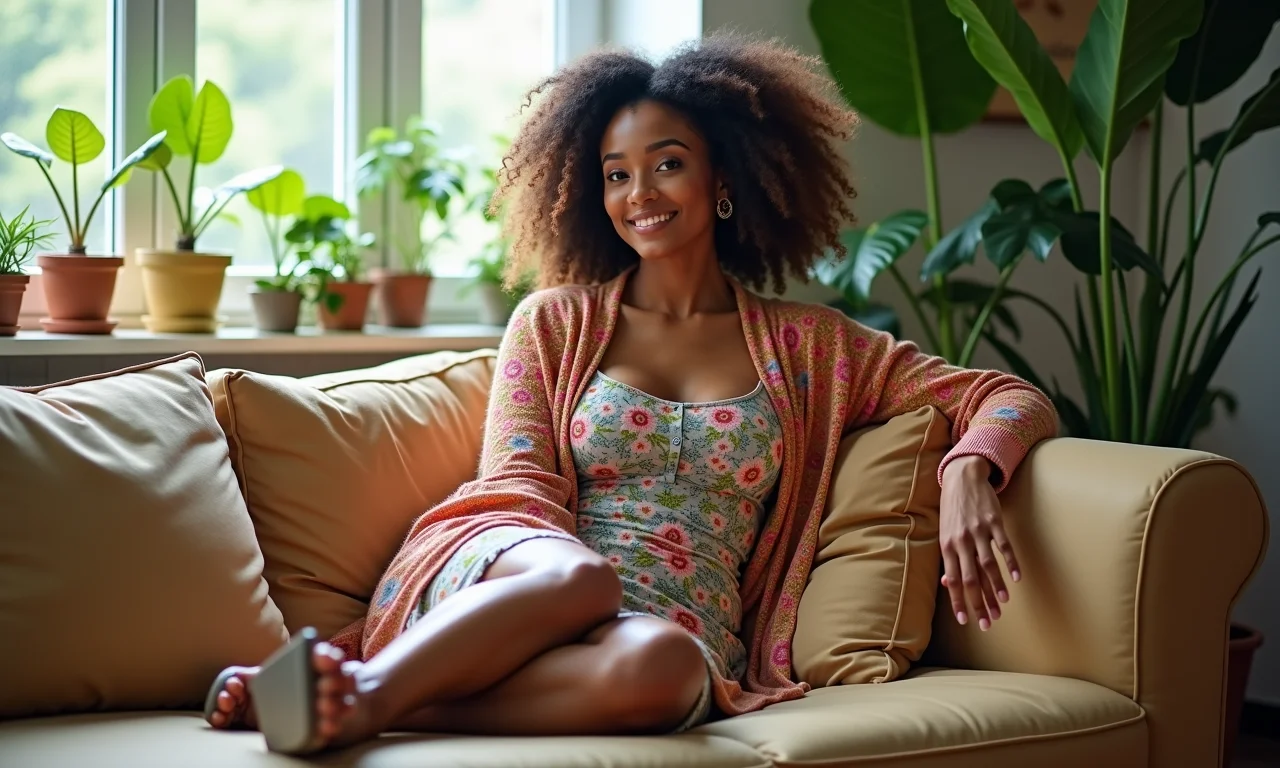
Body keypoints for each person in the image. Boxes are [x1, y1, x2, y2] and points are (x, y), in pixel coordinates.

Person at [204, 32, 1057, 751]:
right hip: (519, 572)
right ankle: (359, 699)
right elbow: (516, 487)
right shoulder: (556, 321)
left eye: (667, 164)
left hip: (659, 633)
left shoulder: (814, 348)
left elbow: (1005, 395)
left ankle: (362, 697)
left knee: (670, 670)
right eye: (615, 174)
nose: (639, 194)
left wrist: (967, 470)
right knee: (584, 579)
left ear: (725, 180)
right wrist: (563, 574)